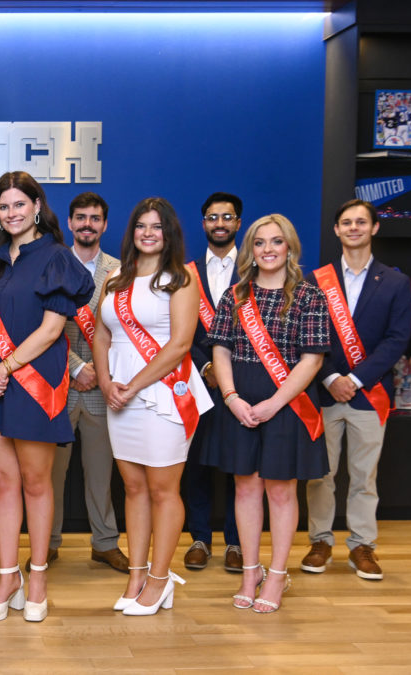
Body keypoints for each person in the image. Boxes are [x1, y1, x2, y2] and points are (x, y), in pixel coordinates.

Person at [0, 171, 94, 624]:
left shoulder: (57, 257)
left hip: (34, 383)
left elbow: (53, 329)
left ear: (37, 206)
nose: (11, 213)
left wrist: (6, 367)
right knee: (3, 482)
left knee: (37, 483)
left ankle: (36, 576)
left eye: (19, 204)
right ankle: (7, 576)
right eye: (3, 206)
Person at [92, 197, 212, 616]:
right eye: (141, 225)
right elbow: (102, 335)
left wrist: (133, 385)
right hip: (119, 394)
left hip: (164, 394)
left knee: (163, 490)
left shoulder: (180, 279)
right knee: (133, 488)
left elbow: (180, 344)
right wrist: (106, 382)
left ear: (169, 234)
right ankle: (137, 574)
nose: (147, 233)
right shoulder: (115, 279)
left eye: (156, 227)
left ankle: (161, 579)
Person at [206, 213, 330, 614]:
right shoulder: (235, 295)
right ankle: (249, 571)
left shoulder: (310, 296)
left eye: (277, 242)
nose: (268, 250)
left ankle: (277, 575)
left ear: (289, 247)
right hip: (240, 400)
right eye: (260, 243)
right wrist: (230, 397)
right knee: (244, 488)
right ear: (250, 250)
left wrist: (276, 403)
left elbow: (312, 360)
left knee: (280, 490)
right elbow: (220, 349)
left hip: (287, 403)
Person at [303, 199, 411, 580]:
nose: (353, 228)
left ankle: (362, 546)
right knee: (321, 473)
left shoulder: (396, 282)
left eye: (361, 222)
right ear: (336, 230)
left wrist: (358, 378)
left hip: (370, 393)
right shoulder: (315, 280)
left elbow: (397, 339)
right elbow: (310, 336)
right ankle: (320, 541)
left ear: (374, 228)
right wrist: (332, 377)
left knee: (365, 476)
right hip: (325, 391)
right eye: (346, 222)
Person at [47, 191, 127, 573]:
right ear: (69, 222)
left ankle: (105, 543)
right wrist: (78, 367)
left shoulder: (120, 270)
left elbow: (125, 331)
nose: (87, 225)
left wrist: (99, 373)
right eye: (80, 218)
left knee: (101, 474)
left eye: (95, 218)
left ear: (105, 224)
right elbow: (44, 327)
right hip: (59, 387)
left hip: (102, 389)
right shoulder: (51, 263)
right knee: (50, 475)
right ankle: (47, 543)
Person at [182, 192, 244, 573]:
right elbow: (179, 330)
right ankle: (200, 538)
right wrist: (207, 369)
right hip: (199, 381)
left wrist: (232, 375)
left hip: (245, 382)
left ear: (238, 223)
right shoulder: (185, 273)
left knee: (241, 466)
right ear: (203, 223)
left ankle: (237, 543)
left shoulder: (255, 268)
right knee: (197, 465)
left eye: (227, 217)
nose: (219, 223)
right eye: (212, 217)